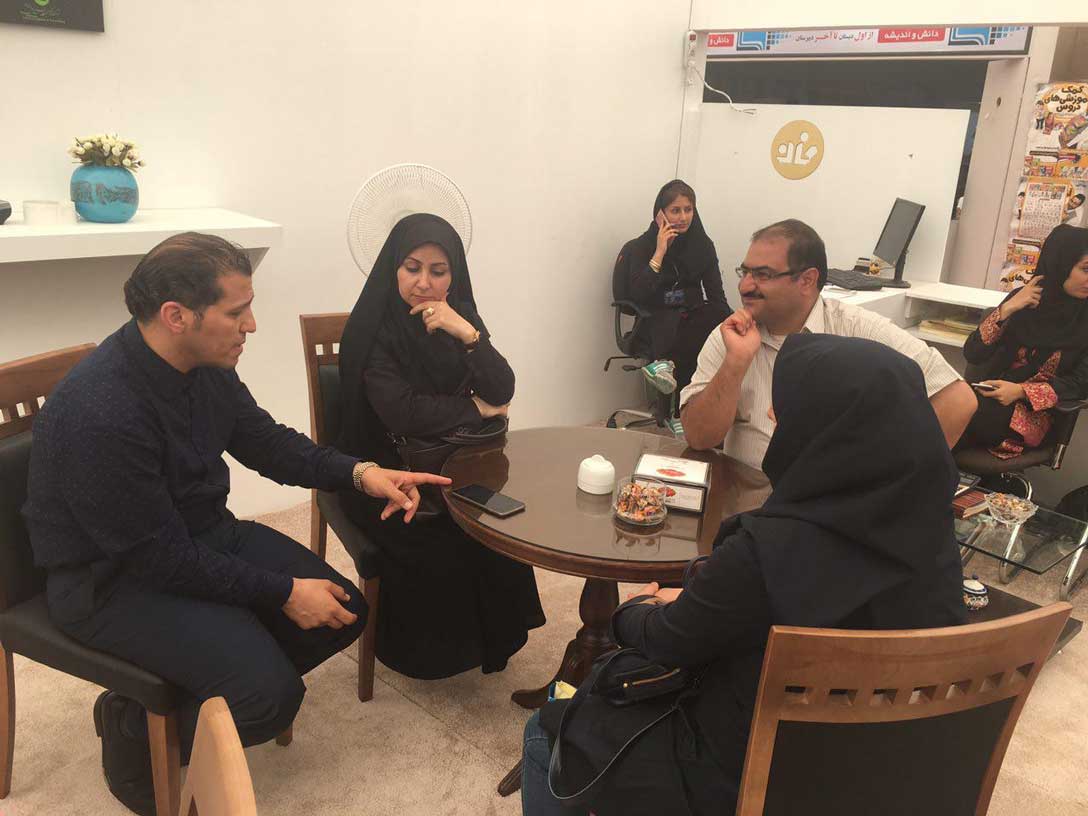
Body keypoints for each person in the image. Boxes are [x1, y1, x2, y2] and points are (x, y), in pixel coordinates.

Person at [22, 232, 448, 815]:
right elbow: (158, 559)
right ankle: (132, 727)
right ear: (176, 316)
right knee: (267, 697)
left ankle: (182, 695)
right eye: (236, 312)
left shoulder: (202, 365)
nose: (251, 325)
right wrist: (282, 591)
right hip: (109, 582)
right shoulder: (102, 412)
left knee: (341, 609)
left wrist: (361, 473)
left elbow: (265, 442)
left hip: (198, 539)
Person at [520, 334, 967, 816]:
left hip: (748, 775)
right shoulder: (935, 542)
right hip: (880, 774)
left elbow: (669, 641)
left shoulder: (765, 553)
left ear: (829, 432)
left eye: (787, 409)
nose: (772, 416)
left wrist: (637, 608)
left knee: (547, 731)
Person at [336, 213, 545, 679]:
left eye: (438, 270)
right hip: (382, 470)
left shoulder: (458, 315)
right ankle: (431, 657)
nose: (424, 283)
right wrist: (476, 409)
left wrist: (467, 334)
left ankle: (491, 643)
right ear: (394, 267)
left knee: (498, 522)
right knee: (435, 540)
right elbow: (402, 413)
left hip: (454, 461)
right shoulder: (372, 329)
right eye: (412, 268)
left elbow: (503, 387)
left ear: (455, 274)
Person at [680, 219, 977, 468]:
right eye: (745, 272)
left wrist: (884, 480)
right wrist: (735, 363)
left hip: (831, 511)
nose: (745, 285)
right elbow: (698, 437)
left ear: (807, 280)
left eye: (763, 275)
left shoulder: (856, 329)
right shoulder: (731, 336)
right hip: (748, 501)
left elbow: (958, 401)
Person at [960, 224, 1088, 458]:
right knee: (942, 407)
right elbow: (974, 353)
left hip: (1037, 416)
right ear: (1060, 264)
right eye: (1086, 269)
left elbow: (1079, 384)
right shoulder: (1024, 298)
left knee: (950, 418)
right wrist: (1008, 309)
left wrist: (1020, 391)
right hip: (990, 397)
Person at [614, 180, 732, 428]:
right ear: (660, 214)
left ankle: (668, 371)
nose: (683, 217)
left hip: (689, 319)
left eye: (688, 209)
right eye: (675, 210)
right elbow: (638, 296)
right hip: (653, 321)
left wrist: (731, 323)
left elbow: (716, 296)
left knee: (719, 315)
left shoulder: (702, 245)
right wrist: (660, 252)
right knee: (673, 317)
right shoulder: (642, 246)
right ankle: (678, 412)